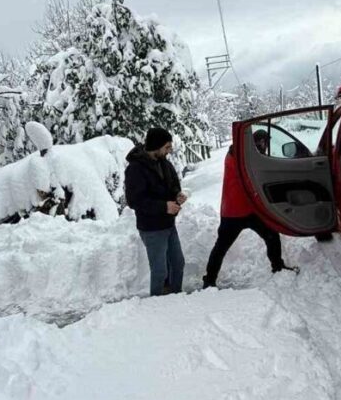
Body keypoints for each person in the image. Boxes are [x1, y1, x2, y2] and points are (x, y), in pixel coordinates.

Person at [202, 131, 296, 288]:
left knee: (271, 235)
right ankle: (209, 280)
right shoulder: (238, 154)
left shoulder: (245, 155)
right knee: (221, 247)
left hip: (248, 210)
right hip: (234, 211)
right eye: (263, 143)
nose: (265, 146)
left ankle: (278, 267)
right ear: (256, 142)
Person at [125, 127, 187, 296]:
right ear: (157, 146)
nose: (170, 150)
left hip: (168, 224)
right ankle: (156, 305)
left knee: (178, 264)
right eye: (167, 147)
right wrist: (164, 206)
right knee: (160, 271)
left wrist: (177, 195)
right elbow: (134, 201)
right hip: (151, 228)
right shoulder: (135, 169)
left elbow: (174, 185)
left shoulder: (165, 163)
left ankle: (176, 296)